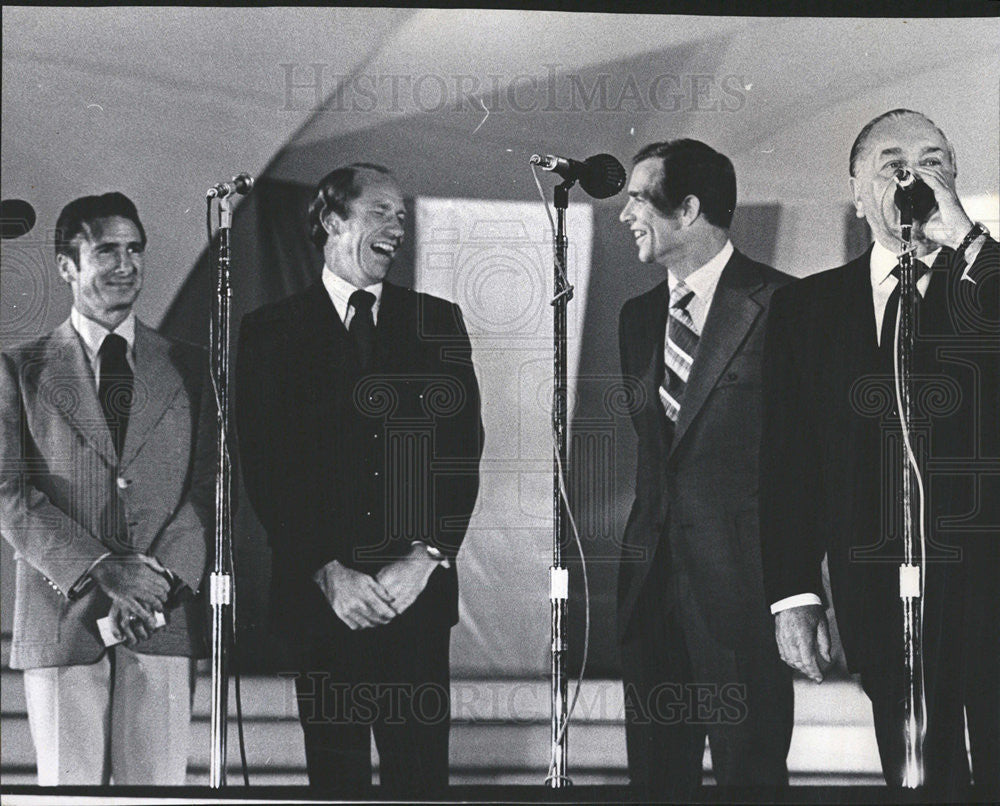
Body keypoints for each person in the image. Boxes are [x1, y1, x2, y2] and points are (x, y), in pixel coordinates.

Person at [761, 109, 998, 797]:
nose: (911, 174)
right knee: (921, 781)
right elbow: (788, 462)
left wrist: (965, 239)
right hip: (880, 591)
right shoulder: (807, 309)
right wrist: (794, 594)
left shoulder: (986, 280)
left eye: (933, 160)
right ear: (857, 189)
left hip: (993, 587)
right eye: (891, 161)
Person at [236, 163, 483, 797]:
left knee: (421, 782)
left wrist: (425, 557)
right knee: (335, 783)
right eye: (379, 212)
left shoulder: (438, 322)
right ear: (330, 220)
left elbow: (461, 453)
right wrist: (325, 568)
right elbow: (264, 465)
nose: (397, 227)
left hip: (415, 599)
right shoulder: (271, 332)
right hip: (324, 604)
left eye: (401, 216)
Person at [0, 192, 215, 785]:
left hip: (162, 619)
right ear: (67, 265)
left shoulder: (193, 368)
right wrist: (103, 568)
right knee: (69, 798)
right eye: (106, 251)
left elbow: (212, 485)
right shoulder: (21, 369)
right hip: (63, 619)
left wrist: (156, 581)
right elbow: (8, 494)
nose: (126, 264)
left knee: (159, 798)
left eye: (134, 249)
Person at [616, 139, 794, 799]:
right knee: (658, 784)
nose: (625, 214)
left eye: (638, 197)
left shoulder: (783, 306)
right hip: (649, 594)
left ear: (687, 208)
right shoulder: (636, 318)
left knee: (751, 784)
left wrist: (794, 599)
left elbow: (803, 466)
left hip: (743, 600)